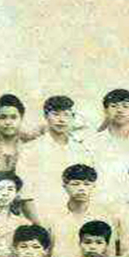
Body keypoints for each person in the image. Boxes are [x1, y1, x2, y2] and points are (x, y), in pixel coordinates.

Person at [19, 95, 95, 224]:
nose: (61, 120)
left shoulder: (82, 151)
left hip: (76, 219)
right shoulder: (30, 150)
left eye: (66, 115)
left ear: (73, 118)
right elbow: (25, 195)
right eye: (56, 114)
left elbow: (89, 188)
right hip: (42, 217)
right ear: (46, 116)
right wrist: (39, 225)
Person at [42, 164, 122, 257]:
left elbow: (110, 253)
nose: (81, 189)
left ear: (93, 186)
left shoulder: (104, 217)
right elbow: (44, 253)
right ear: (65, 186)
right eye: (75, 184)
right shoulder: (51, 217)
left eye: (87, 184)